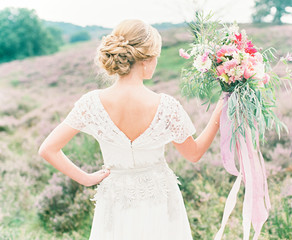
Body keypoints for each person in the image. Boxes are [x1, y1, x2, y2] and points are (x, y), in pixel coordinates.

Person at [38, 19, 223, 240]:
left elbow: (48, 149)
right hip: (159, 200)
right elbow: (194, 154)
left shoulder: (91, 103)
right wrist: (219, 110)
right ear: (146, 60)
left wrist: (87, 179)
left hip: (114, 201)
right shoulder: (166, 106)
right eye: (157, 56)